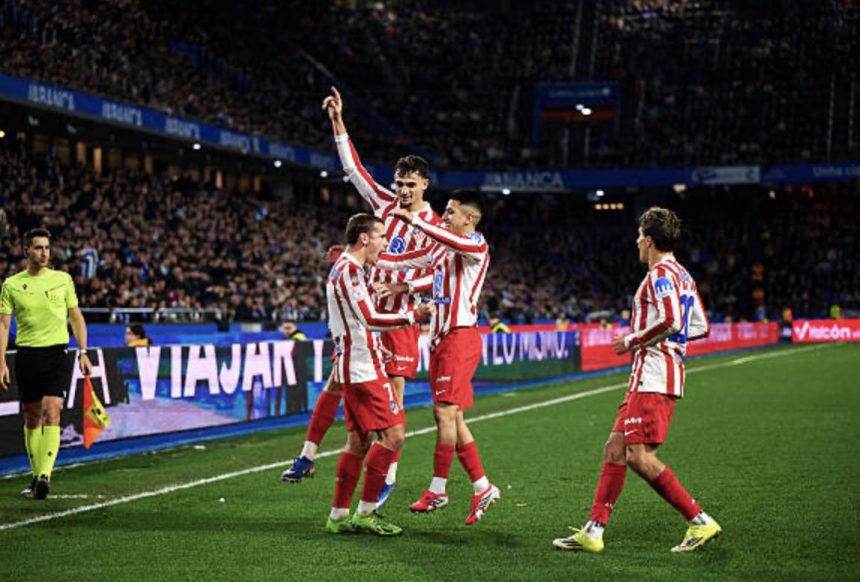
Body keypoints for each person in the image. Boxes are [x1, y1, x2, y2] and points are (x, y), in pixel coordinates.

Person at [281, 87, 441, 508]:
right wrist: (337, 122)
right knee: (338, 382)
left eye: (410, 185)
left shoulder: (435, 224)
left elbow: (440, 275)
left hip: (399, 320)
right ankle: (308, 454)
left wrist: (407, 287)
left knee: (395, 404)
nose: (403, 191)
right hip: (363, 319)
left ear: (424, 184)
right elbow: (353, 169)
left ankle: (388, 475)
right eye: (399, 184)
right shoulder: (384, 204)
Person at [552, 207, 721, 553]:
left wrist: (632, 339)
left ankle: (700, 521)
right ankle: (593, 531)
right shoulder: (683, 275)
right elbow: (699, 326)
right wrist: (670, 343)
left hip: (654, 376)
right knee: (615, 449)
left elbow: (673, 320)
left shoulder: (660, 274)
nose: (636, 242)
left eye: (639, 236)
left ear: (649, 240)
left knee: (639, 457)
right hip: (649, 376)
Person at [375, 190, 500, 526]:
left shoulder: (476, 244)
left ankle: (438, 488)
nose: (444, 216)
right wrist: (359, 256)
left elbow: (442, 238)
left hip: (460, 337)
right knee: (454, 419)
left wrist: (413, 219)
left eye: (450, 211)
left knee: (444, 413)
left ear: (469, 219)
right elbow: (408, 263)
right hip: (441, 339)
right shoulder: (445, 248)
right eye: (444, 211)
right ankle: (482, 486)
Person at [323, 213, 432, 536]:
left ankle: (338, 516)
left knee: (359, 441)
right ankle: (367, 512)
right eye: (381, 236)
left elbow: (355, 322)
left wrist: (374, 345)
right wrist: (415, 314)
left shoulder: (343, 268)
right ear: (364, 238)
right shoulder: (352, 271)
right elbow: (369, 318)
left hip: (354, 362)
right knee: (394, 435)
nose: (385, 242)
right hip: (361, 368)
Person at [0, 228, 94, 499]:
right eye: (38, 247)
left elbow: (76, 318)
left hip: (56, 353)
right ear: (26, 250)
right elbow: (4, 326)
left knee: (53, 411)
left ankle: (44, 476)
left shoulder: (63, 280)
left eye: (47, 248)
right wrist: (2, 362)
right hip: (27, 354)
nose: (44, 253)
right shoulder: (12, 285)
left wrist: (83, 351)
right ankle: (35, 474)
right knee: (32, 417)